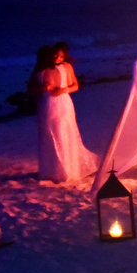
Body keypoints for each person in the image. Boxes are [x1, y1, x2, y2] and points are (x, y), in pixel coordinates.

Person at [36, 41, 99, 183]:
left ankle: (67, 169)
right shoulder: (42, 69)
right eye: (56, 55)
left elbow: (75, 85)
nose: (58, 58)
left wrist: (64, 90)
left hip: (64, 102)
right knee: (50, 134)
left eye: (61, 56)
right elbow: (32, 87)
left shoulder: (67, 67)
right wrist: (43, 89)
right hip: (47, 103)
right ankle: (52, 170)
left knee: (65, 132)